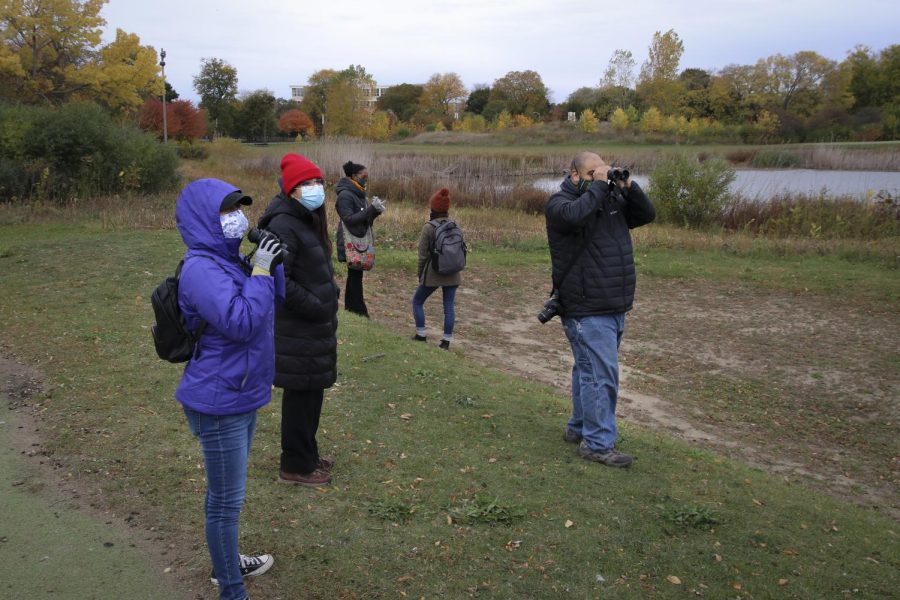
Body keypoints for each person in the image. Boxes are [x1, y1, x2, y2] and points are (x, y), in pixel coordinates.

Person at [175, 178, 284, 599]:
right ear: (205, 218)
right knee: (225, 503)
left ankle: (227, 562)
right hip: (219, 400)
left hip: (239, 391)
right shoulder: (201, 268)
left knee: (226, 498)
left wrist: (273, 263)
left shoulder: (229, 259)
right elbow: (241, 323)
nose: (236, 217)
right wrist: (258, 269)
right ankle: (231, 588)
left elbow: (274, 303)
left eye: (238, 208)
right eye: (226, 211)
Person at [544, 151, 655, 468]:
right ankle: (597, 443)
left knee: (587, 371)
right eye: (594, 173)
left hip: (613, 303)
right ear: (576, 175)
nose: (602, 177)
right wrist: (601, 185)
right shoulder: (560, 205)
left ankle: (580, 428)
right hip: (585, 306)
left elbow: (645, 215)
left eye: (603, 171)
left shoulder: (608, 200)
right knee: (600, 376)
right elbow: (577, 215)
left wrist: (629, 187)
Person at [258, 153, 340, 487]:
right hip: (298, 328)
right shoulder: (283, 224)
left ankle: (307, 454)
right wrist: (317, 305)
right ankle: (294, 466)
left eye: (318, 182)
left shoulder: (305, 218)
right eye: (307, 184)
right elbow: (279, 281)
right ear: (291, 190)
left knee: (312, 394)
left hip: (313, 328)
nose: (315, 188)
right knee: (300, 398)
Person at [412, 188, 461, 350]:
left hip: (434, 273)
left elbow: (422, 256)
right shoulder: (454, 225)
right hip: (453, 272)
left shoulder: (428, 227)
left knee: (417, 301)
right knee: (448, 306)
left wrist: (420, 274)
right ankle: (446, 342)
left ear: (433, 208)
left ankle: (421, 334)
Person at [335, 160, 385, 317]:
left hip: (360, 239)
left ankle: (353, 307)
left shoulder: (360, 193)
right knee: (355, 275)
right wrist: (370, 209)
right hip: (350, 241)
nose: (366, 178)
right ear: (354, 176)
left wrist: (375, 211)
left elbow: (364, 219)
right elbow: (348, 219)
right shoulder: (345, 195)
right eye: (364, 176)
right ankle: (359, 310)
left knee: (355, 275)